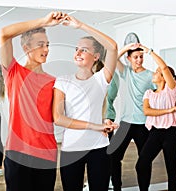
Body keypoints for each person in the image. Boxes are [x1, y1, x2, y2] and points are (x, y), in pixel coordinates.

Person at [0, 11, 67, 191]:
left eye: (47, 45)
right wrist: (44, 21)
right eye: (40, 45)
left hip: (46, 153)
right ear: (26, 48)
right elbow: (4, 33)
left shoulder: (54, 81)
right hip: (18, 153)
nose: (46, 49)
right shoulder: (13, 72)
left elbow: (58, 116)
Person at [52, 15, 118, 191]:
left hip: (99, 148)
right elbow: (58, 118)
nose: (78, 53)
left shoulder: (101, 80)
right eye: (76, 49)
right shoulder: (62, 81)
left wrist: (81, 25)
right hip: (71, 148)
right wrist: (94, 126)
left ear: (96, 56)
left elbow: (112, 48)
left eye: (84, 50)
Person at [108, 43, 156, 191]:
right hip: (126, 123)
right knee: (113, 157)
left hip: (143, 124)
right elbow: (114, 58)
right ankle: (117, 187)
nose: (139, 60)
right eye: (135, 57)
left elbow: (159, 94)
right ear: (129, 58)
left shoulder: (150, 76)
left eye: (141, 56)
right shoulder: (126, 72)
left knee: (144, 161)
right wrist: (127, 46)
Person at [136, 45, 176, 191]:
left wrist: (149, 51)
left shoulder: (172, 89)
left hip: (171, 134)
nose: (154, 74)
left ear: (163, 77)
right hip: (155, 133)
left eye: (157, 72)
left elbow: (163, 67)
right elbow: (147, 111)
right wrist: (170, 109)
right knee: (141, 164)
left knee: (171, 169)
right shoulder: (149, 93)